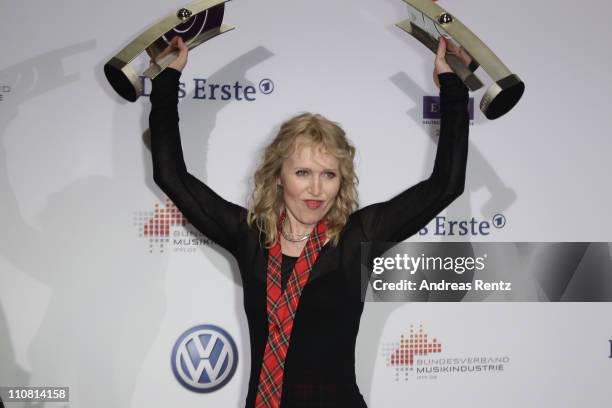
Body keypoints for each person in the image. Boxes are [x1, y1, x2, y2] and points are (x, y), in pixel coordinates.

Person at [149, 31, 470, 408]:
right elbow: (171, 175)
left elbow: (446, 185)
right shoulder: (250, 236)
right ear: (277, 175)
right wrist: (167, 80)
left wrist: (450, 85)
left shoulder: (357, 237)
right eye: (303, 173)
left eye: (329, 174)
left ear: (342, 180)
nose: (316, 189)